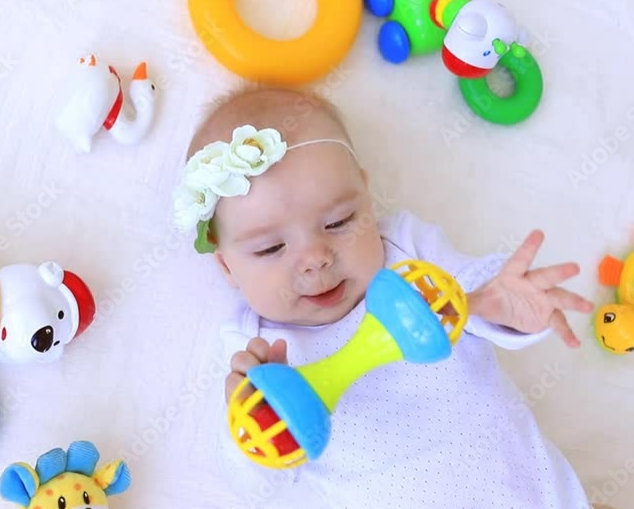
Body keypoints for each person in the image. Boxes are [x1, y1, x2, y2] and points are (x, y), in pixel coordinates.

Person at [171, 86, 598, 508]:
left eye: (339, 222)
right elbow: (252, 482)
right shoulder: (255, 351)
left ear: (367, 198)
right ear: (227, 266)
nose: (316, 259)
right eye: (271, 248)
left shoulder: (408, 253)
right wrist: (250, 418)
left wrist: (496, 303)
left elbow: (473, 294)